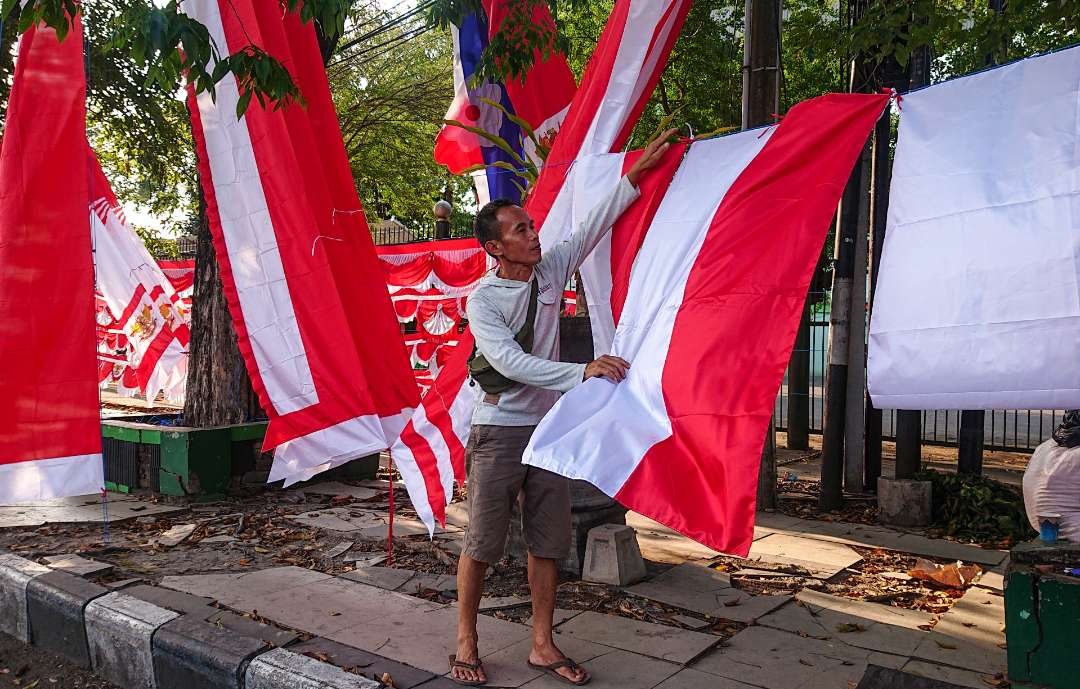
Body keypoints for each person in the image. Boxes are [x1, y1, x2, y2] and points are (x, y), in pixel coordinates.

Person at [449, 130, 678, 686]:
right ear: (495, 247)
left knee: (548, 542)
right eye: (521, 229)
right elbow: (509, 363)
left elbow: (590, 227)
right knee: (481, 542)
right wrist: (582, 372)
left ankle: (542, 643)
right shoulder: (483, 300)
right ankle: (466, 640)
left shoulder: (550, 269)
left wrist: (638, 173)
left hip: (546, 431)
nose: (534, 234)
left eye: (531, 225)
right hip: (500, 429)